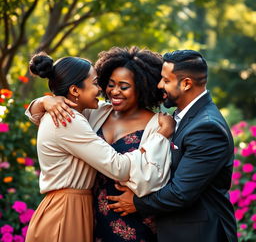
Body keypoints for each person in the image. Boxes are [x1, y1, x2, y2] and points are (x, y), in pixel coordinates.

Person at [26, 47, 173, 242]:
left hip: (132, 220)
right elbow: (38, 117)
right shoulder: (85, 115)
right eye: (108, 84)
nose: (112, 91)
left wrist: (140, 201)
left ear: (142, 86)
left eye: (124, 86)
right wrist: (45, 101)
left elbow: (159, 175)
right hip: (84, 213)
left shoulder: (158, 123)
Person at [107, 50, 238, 242]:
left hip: (199, 234)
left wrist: (136, 202)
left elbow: (180, 192)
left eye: (166, 80)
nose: (160, 85)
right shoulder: (181, 117)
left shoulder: (207, 127)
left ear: (186, 84)